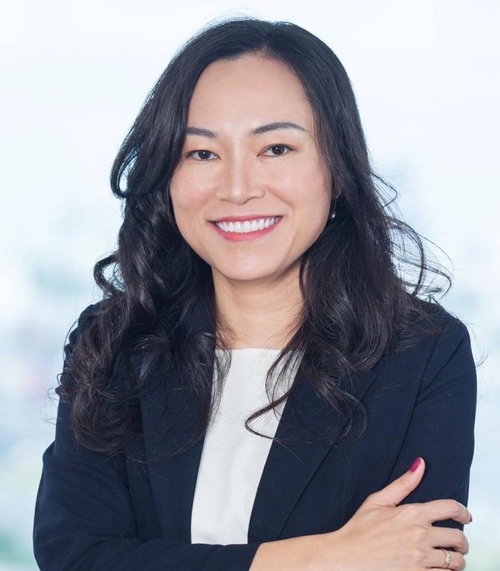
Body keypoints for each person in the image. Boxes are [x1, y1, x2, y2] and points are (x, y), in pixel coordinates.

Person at [33, 18, 476, 571]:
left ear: (337, 170)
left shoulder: (423, 355)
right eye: (202, 154)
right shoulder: (115, 341)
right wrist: (324, 557)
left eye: (276, 148)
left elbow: (418, 561)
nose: (238, 188)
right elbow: (75, 558)